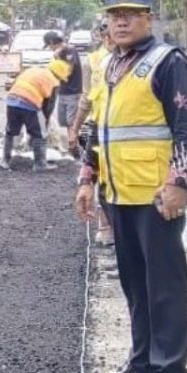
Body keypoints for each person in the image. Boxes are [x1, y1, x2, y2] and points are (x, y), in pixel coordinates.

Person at [73, 0, 187, 373]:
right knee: (134, 284)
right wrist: (86, 179)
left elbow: (186, 128)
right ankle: (144, 362)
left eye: (130, 13)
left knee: (164, 286)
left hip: (155, 194)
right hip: (118, 192)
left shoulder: (167, 62)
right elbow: (97, 129)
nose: (121, 20)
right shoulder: (109, 64)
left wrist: (178, 183)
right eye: (114, 14)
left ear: (149, 18)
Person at [69, 23, 118, 245]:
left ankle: (113, 227)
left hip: (119, 129)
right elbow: (87, 97)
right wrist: (75, 127)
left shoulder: (137, 61)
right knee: (102, 177)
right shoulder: (94, 61)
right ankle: (106, 225)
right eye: (106, 34)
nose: (109, 38)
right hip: (99, 126)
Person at [0, 58, 71, 170]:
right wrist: (45, 124)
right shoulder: (53, 81)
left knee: (10, 132)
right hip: (29, 103)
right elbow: (48, 106)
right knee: (41, 135)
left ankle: (5, 160)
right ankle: (40, 164)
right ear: (59, 75)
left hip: (12, 101)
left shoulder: (32, 70)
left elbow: (15, 85)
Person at [44, 30, 83, 147]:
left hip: (73, 91)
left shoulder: (70, 50)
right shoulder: (58, 54)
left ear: (51, 42)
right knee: (64, 121)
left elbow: (67, 71)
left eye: (49, 45)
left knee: (71, 122)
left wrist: (57, 59)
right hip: (63, 91)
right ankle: (72, 143)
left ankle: (74, 147)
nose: (50, 48)